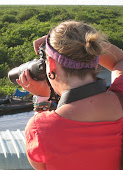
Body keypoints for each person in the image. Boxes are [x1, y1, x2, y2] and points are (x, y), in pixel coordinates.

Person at [16, 20, 123, 170]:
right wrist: (78, 41)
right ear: (95, 57)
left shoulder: (40, 129)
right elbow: (119, 60)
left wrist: (42, 99)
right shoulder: (120, 95)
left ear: (51, 65)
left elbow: (41, 166)